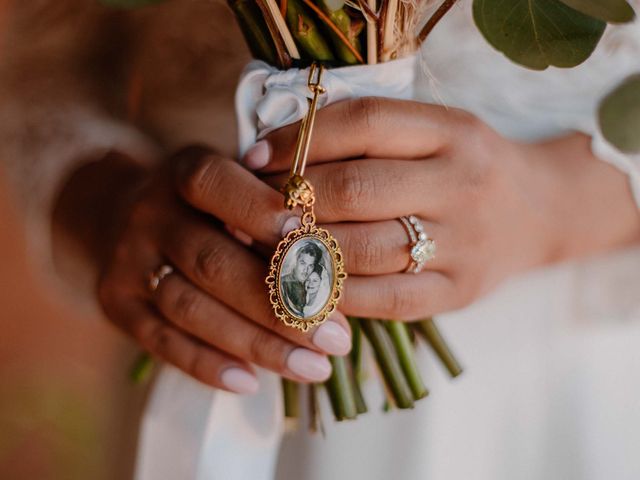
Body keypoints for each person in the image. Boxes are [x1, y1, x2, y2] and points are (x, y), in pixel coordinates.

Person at [1, 1, 640, 479]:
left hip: (567, 361)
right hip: (209, 323)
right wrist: (109, 206)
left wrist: (559, 202)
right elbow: (36, 69)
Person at [281, 242, 323, 317]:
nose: (306, 270)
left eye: (310, 266)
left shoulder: (311, 286)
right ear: (295, 262)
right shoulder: (283, 283)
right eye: (303, 263)